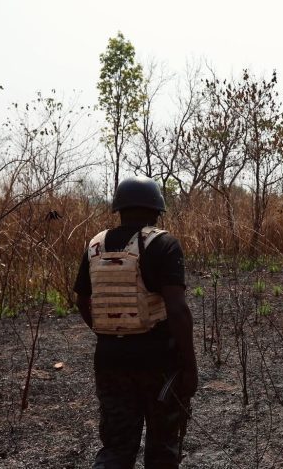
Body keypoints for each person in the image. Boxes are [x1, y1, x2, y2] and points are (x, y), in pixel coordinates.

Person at [73, 175, 198, 469]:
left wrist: (109, 332)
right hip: (158, 363)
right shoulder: (164, 244)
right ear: (157, 210)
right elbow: (178, 311)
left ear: (119, 209)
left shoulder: (96, 246)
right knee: (163, 448)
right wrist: (190, 368)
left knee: (116, 447)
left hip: (109, 360)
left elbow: (82, 300)